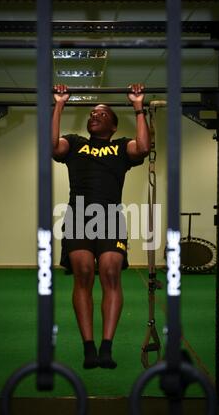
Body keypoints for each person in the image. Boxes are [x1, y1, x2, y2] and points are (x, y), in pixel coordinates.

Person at [52, 83, 150, 369]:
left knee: (109, 273)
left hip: (109, 217)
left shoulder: (120, 148)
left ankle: (107, 346)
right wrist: (59, 104)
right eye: (93, 113)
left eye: (102, 113)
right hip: (78, 216)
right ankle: (88, 347)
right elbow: (51, 146)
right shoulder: (74, 142)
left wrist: (138, 105)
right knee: (83, 273)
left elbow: (143, 147)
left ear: (113, 125)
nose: (95, 115)